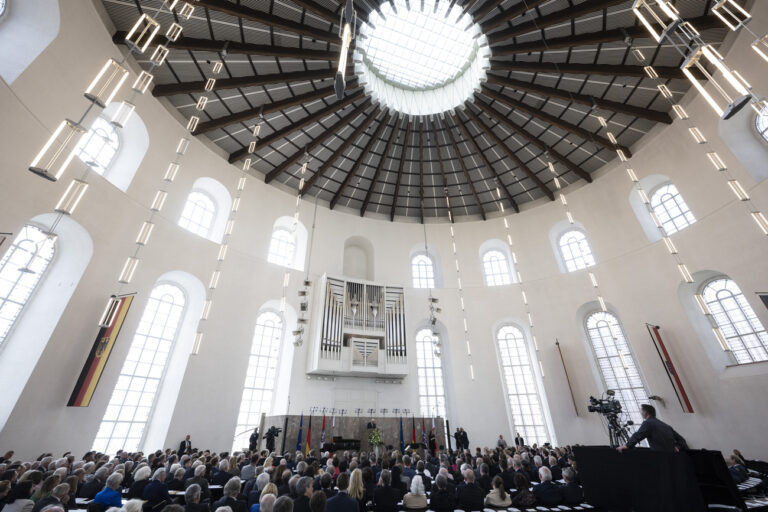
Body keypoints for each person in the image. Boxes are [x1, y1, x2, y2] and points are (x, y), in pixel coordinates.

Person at [617, 404, 688, 453]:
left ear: (645, 413)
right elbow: (682, 440)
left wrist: (626, 446)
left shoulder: (648, 423)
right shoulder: (665, 425)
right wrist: (677, 447)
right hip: (673, 457)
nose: (640, 413)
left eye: (641, 411)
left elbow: (638, 435)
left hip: (661, 458)